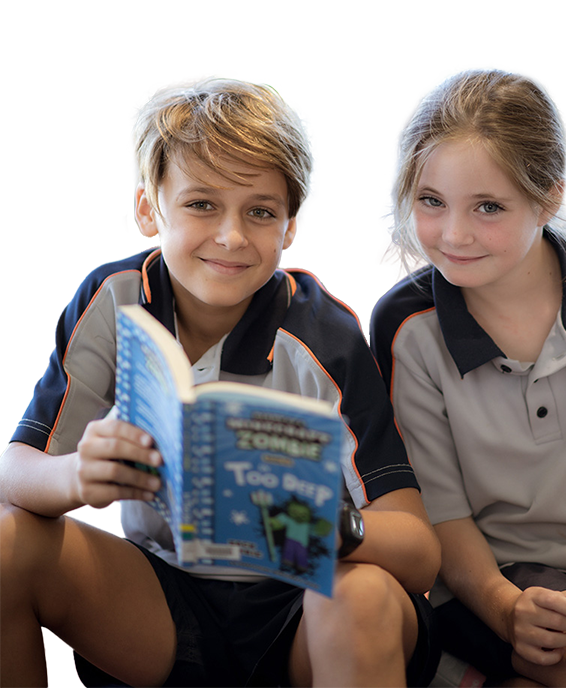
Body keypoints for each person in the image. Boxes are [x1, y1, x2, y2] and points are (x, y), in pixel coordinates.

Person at [0, 75, 441, 688]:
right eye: (202, 203)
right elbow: (14, 471)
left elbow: (419, 551)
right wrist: (77, 476)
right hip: (158, 603)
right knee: (5, 542)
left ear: (289, 227)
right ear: (150, 209)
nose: (232, 236)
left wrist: (313, 527)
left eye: (260, 212)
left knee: (363, 594)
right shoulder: (112, 297)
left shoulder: (326, 334)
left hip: (304, 614)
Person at [369, 66, 566, 688]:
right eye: (431, 202)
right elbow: (441, 514)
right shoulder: (407, 327)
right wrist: (504, 607)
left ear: (548, 199)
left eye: (488, 206)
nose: (454, 234)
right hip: (499, 582)